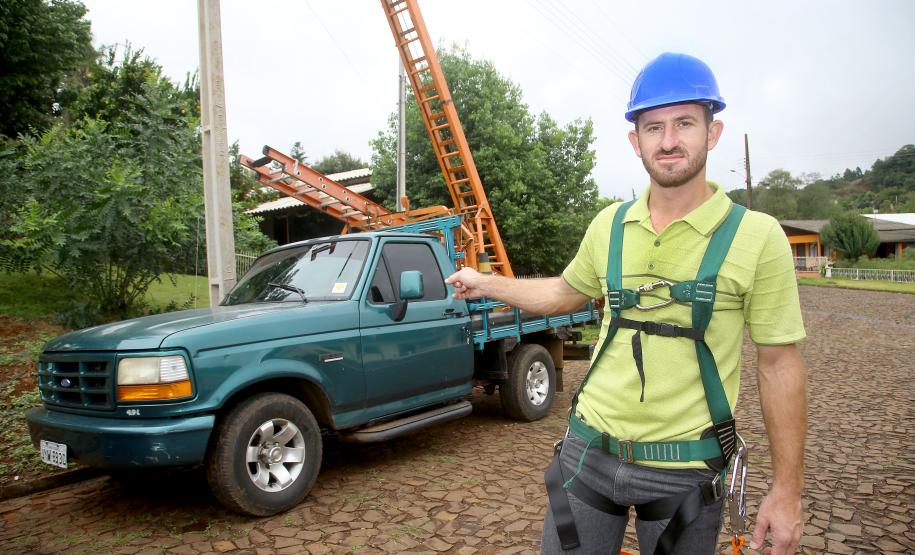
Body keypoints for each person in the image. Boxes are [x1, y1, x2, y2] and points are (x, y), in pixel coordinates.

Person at [445, 52, 807, 555]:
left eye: (685, 123)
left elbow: (779, 363)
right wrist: (486, 282)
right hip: (587, 452)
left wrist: (787, 492)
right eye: (654, 127)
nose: (670, 140)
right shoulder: (610, 224)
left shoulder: (757, 236)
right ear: (636, 141)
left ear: (713, 132)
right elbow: (561, 293)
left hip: (685, 470)